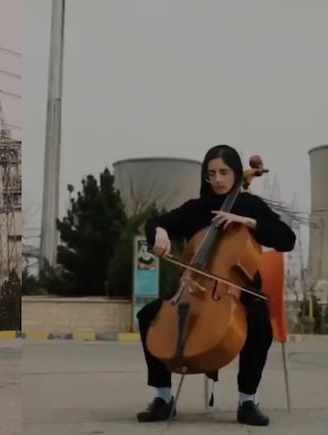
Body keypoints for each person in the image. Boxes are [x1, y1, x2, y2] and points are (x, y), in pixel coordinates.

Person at [135, 145, 296, 427]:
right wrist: (158, 231)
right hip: (193, 288)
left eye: (224, 172)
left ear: (236, 173)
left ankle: (247, 400)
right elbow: (157, 222)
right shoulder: (197, 208)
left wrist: (247, 221)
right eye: (211, 174)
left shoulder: (249, 204)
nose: (218, 179)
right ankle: (163, 398)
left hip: (241, 292)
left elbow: (286, 238)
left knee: (259, 324)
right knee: (149, 315)